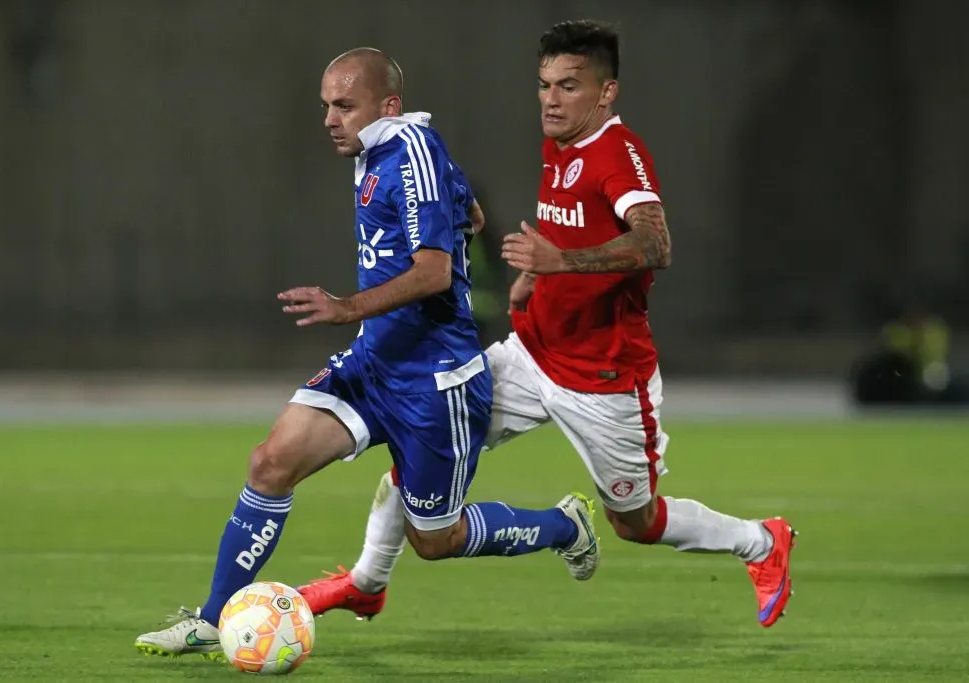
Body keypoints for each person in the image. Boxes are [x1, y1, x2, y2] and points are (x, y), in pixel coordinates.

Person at [296, 22, 797, 629]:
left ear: (606, 93)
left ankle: (761, 542)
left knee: (635, 522)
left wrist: (564, 262)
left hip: (604, 377)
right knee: (421, 453)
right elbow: (568, 219)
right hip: (532, 355)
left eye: (568, 87)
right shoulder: (558, 145)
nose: (551, 100)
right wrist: (538, 276)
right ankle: (366, 584)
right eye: (544, 85)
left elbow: (654, 242)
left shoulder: (618, 152)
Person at [133, 47, 600, 660]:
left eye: (345, 106)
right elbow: (474, 213)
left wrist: (346, 306)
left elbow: (433, 274)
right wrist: (456, 219)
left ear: (388, 106)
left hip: (437, 383)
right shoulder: (383, 152)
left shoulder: (412, 155)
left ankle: (566, 525)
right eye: (326, 105)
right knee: (271, 462)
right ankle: (213, 618)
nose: (330, 119)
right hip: (375, 364)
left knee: (435, 538)